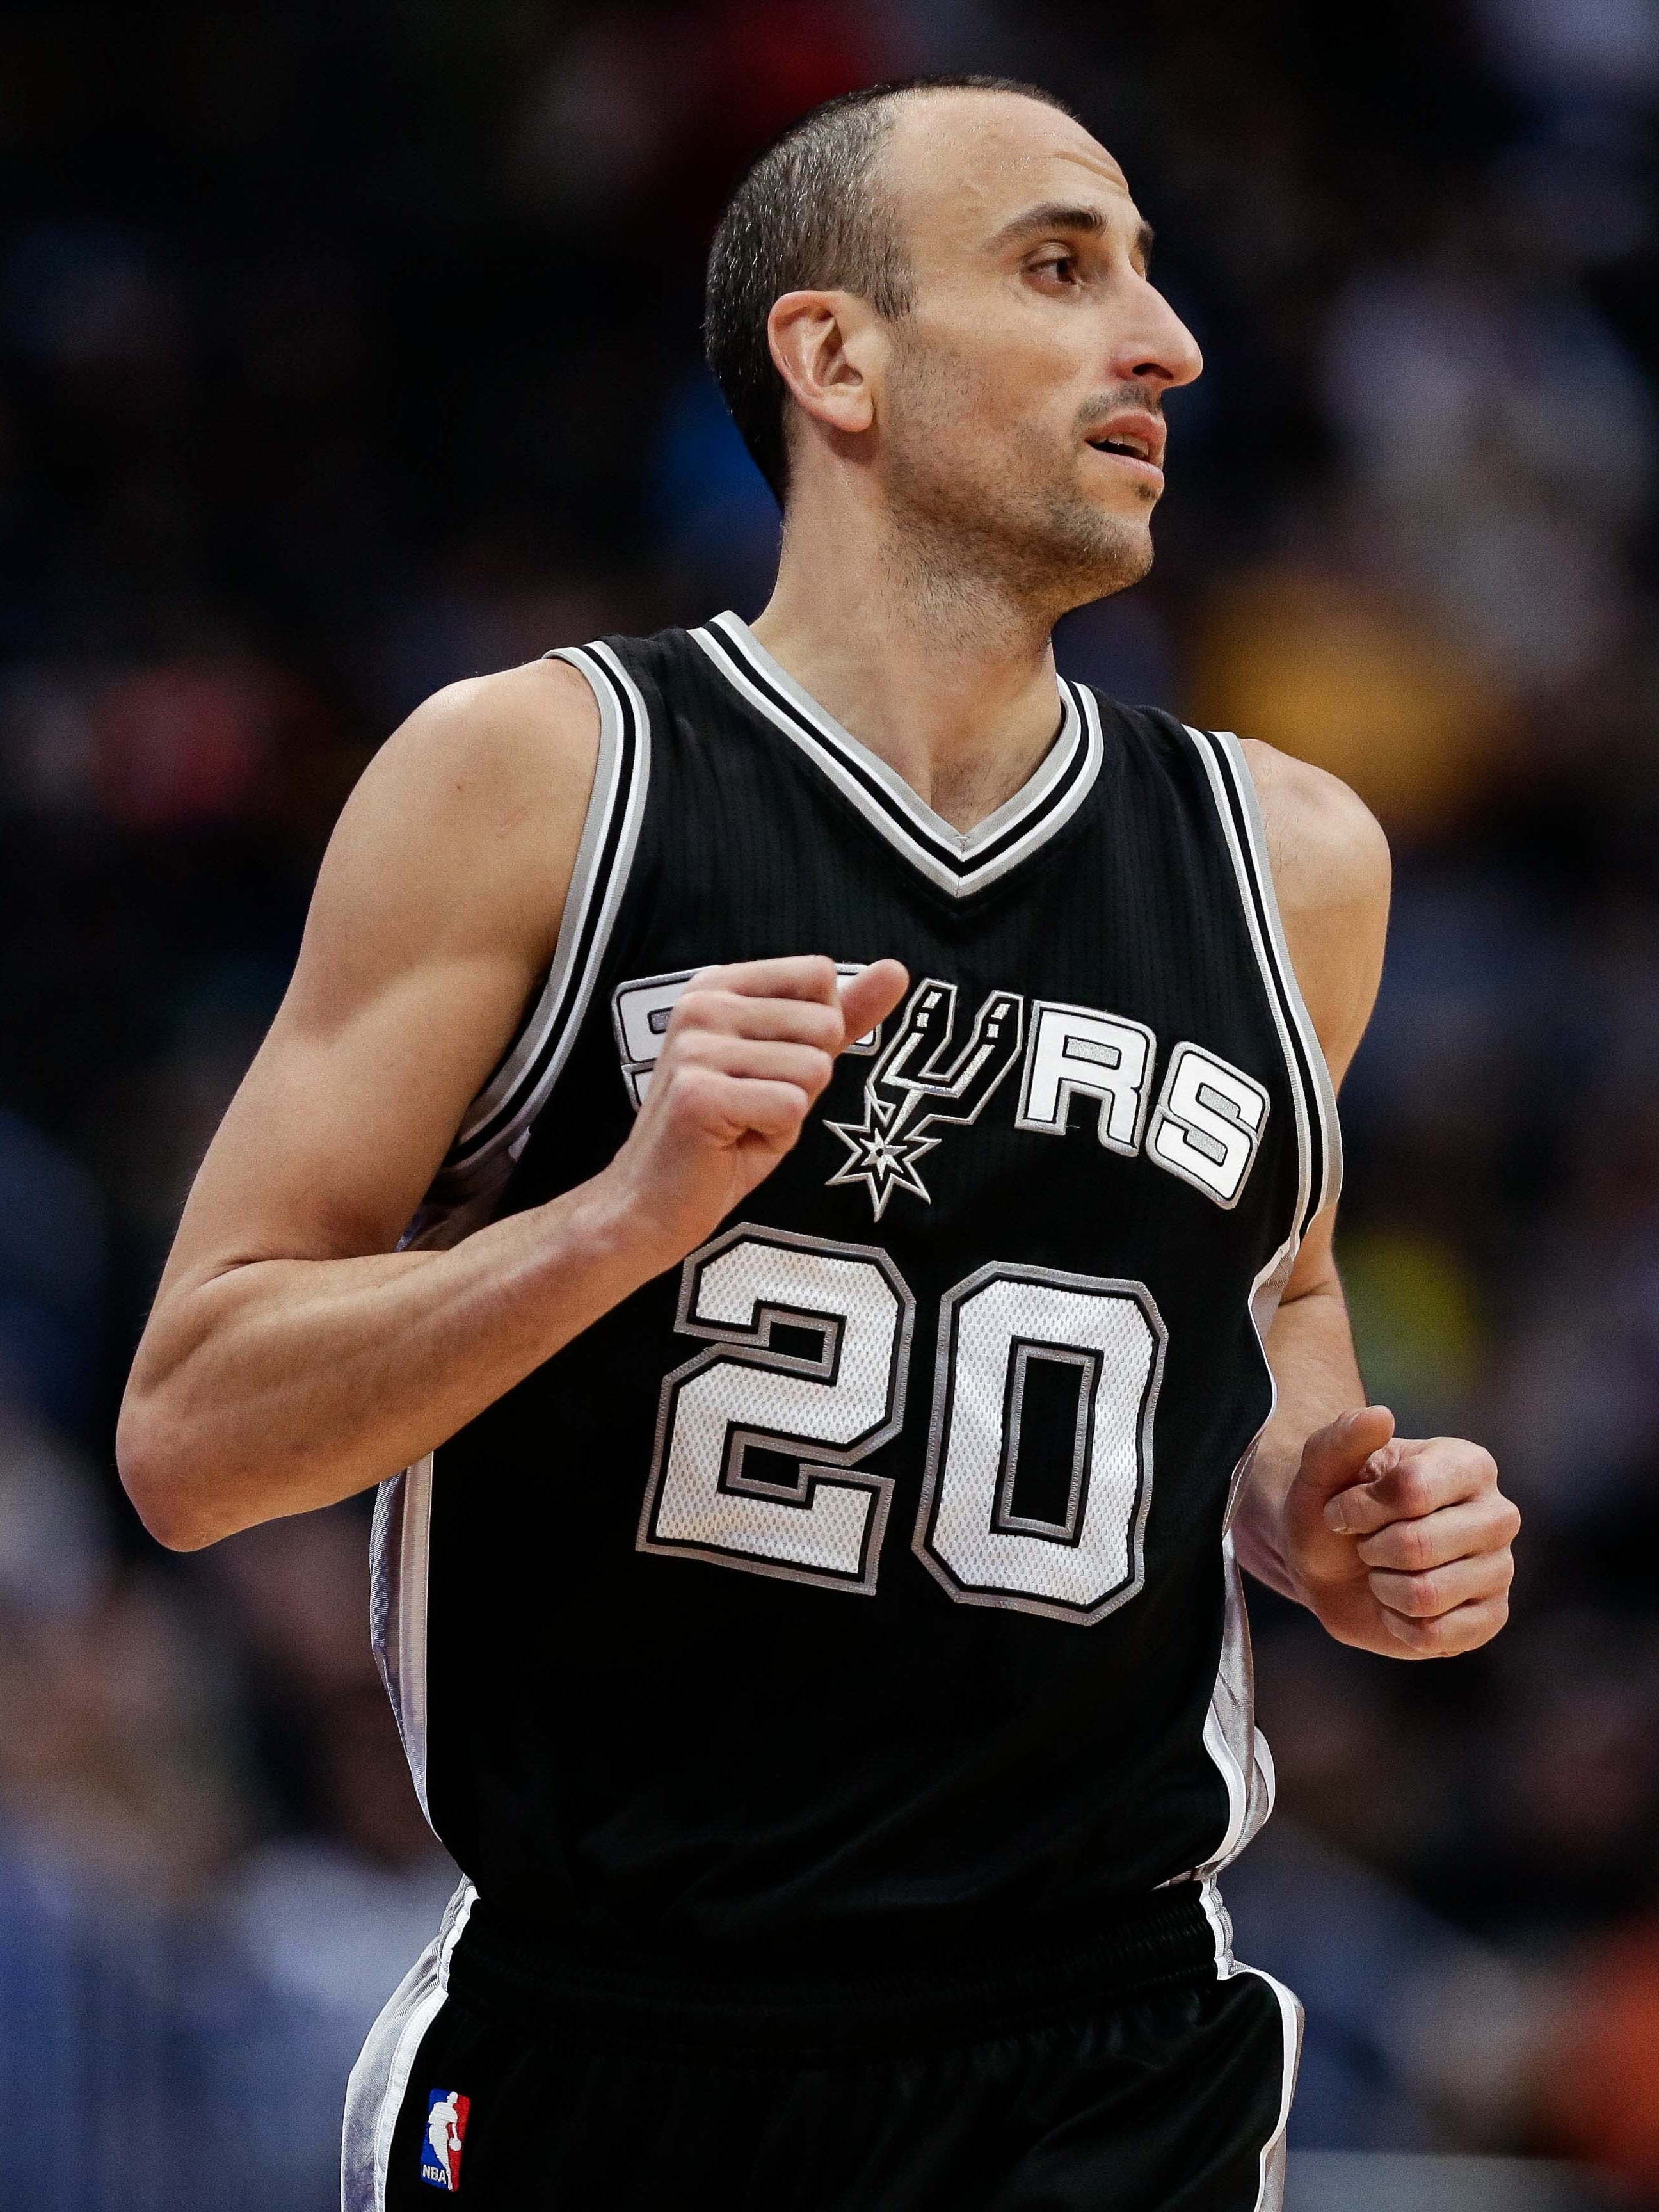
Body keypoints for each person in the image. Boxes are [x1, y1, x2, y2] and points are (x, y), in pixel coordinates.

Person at [118, 73, 1521, 2212]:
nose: (1167, 343)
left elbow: (1272, 1283)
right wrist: (611, 1224)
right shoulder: (542, 778)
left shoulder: (1294, 860)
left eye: (1149, 276)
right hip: (624, 2038)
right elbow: (193, 1436)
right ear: (835, 357)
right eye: (1060, 267)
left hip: (1103, 2054)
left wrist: (1318, 1503)